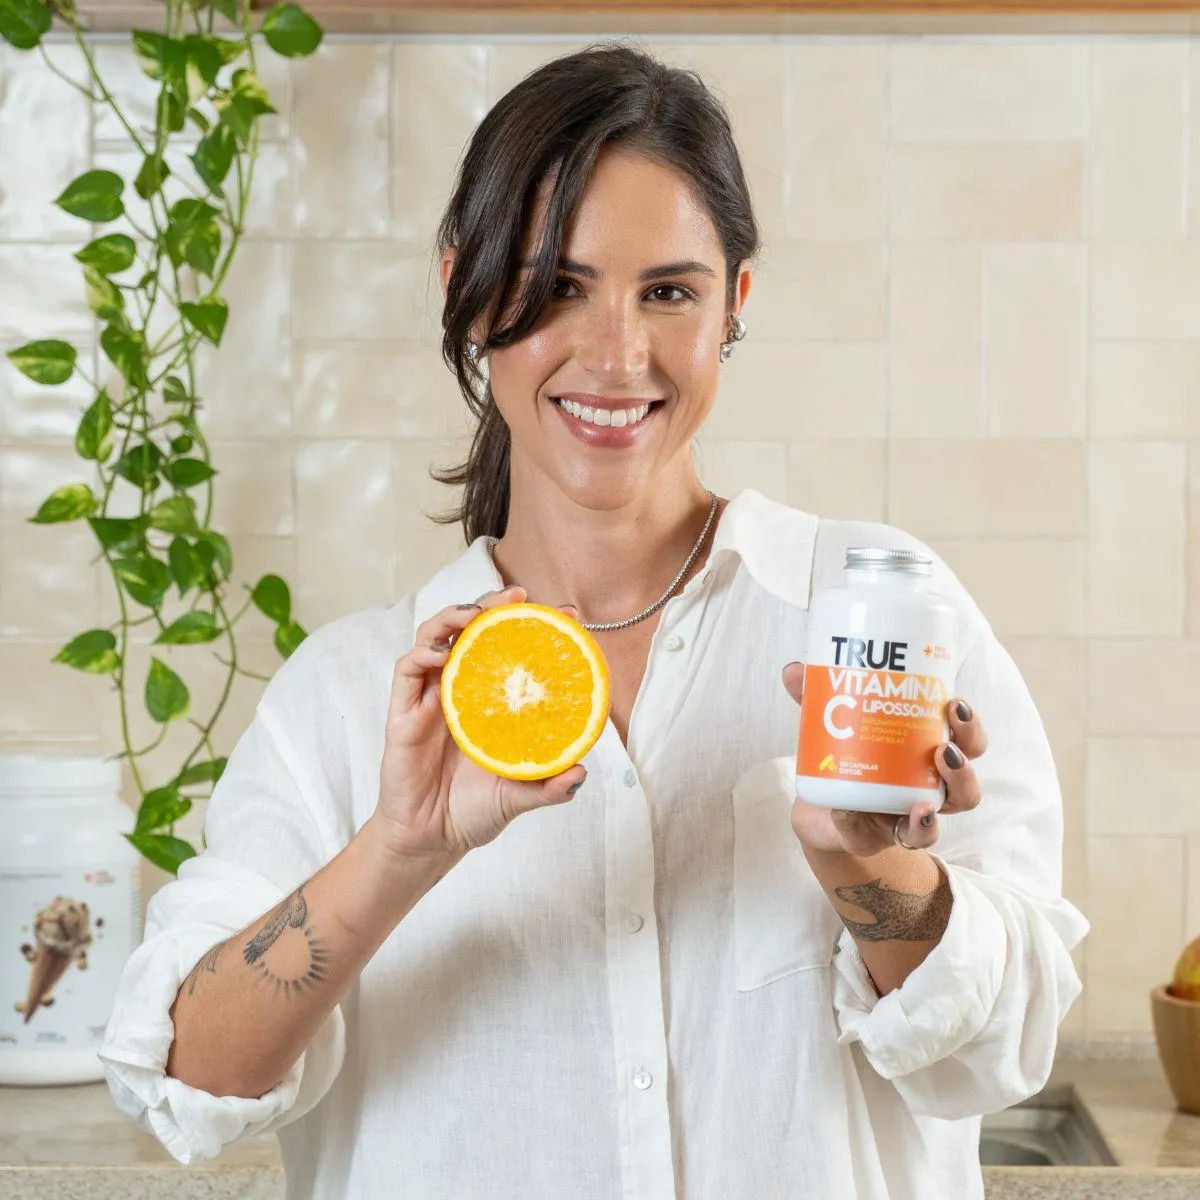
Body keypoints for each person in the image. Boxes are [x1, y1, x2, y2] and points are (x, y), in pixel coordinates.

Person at [99, 41, 1088, 1200]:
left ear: (736, 303)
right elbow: (189, 1081)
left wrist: (867, 867)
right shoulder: (345, 693)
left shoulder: (875, 624)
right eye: (558, 286)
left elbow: (1000, 1047)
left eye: (669, 291)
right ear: (464, 292)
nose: (617, 356)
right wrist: (401, 851)